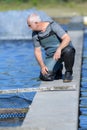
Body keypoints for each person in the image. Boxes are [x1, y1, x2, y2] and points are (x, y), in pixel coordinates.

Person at [27, 13, 75, 82]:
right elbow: (37, 51)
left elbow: (67, 38)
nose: (28, 27)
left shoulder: (53, 26)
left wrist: (59, 49)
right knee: (45, 77)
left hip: (63, 51)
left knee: (69, 50)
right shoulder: (35, 34)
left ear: (36, 23)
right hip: (52, 56)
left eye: (29, 25)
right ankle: (58, 68)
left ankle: (68, 72)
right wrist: (42, 66)